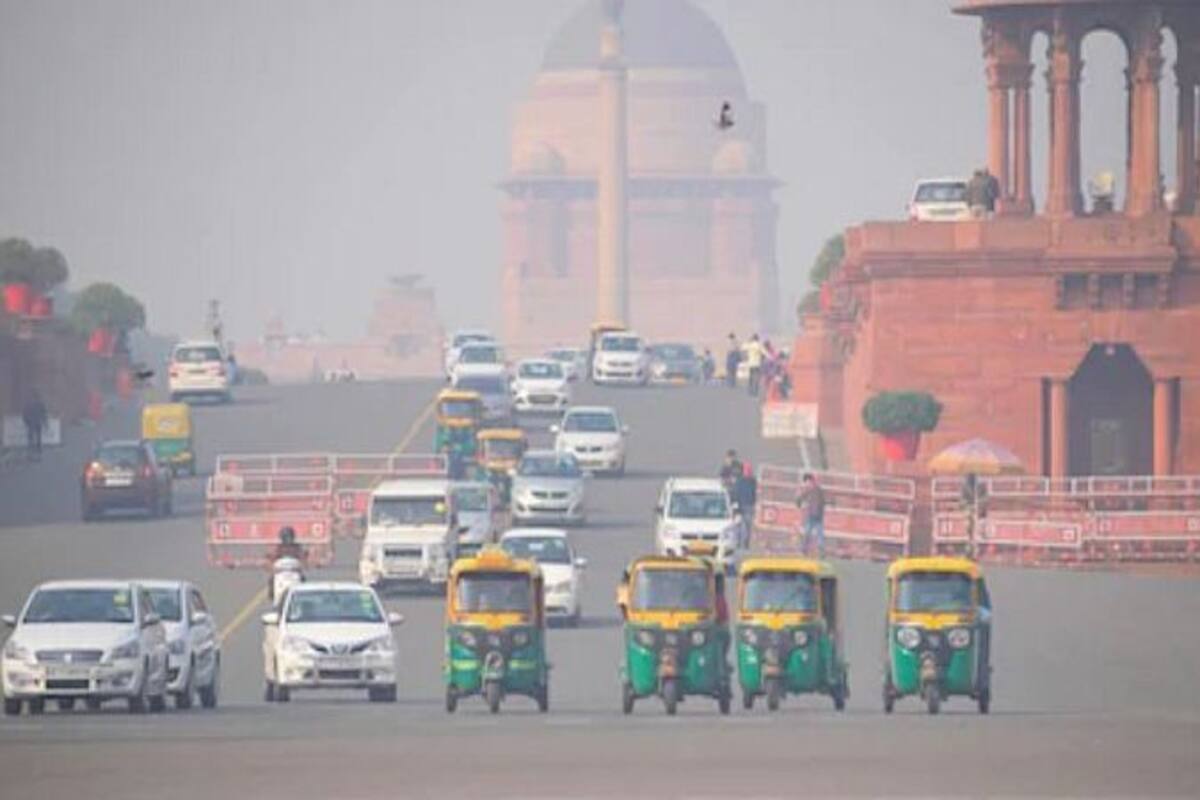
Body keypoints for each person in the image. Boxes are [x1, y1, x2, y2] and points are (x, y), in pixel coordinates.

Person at [795, 473, 826, 558]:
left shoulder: (813, 490)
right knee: (818, 533)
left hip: (813, 514)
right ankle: (819, 550)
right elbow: (823, 502)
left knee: (810, 532)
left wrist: (798, 502)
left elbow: (801, 498)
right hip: (817, 514)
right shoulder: (818, 490)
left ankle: (805, 549)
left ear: (811, 481)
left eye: (807, 482)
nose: (807, 484)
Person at [734, 462, 758, 550]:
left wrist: (735, 505)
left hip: (742, 505)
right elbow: (754, 493)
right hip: (748, 505)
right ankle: (744, 543)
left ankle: (739, 542)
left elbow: (736, 493)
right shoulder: (753, 481)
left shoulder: (740, 481)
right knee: (746, 526)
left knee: (739, 525)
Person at [21, 390, 48, 460]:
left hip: (32, 423)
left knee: (32, 438)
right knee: (37, 438)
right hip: (36, 423)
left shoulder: (29, 404)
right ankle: (37, 454)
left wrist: (26, 422)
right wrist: (45, 423)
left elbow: (24, 414)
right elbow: (44, 414)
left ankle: (31, 453)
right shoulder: (40, 404)